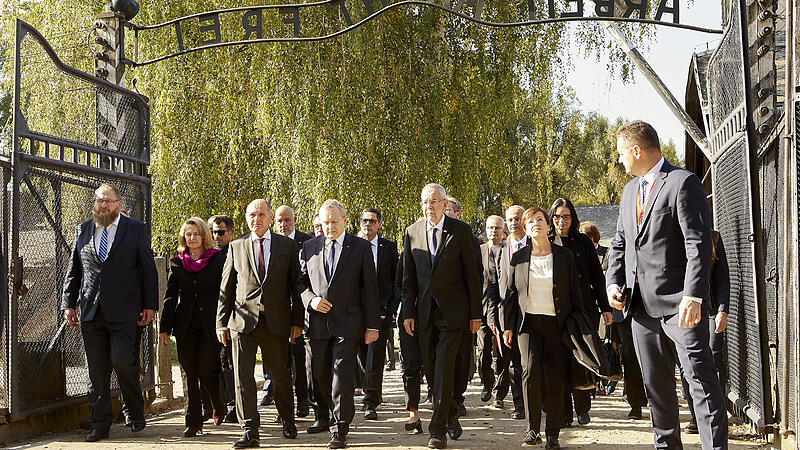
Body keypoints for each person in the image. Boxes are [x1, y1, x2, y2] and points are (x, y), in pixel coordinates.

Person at [606, 120, 727, 449]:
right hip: (641, 312)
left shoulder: (682, 182)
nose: (619, 160)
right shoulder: (630, 191)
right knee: (657, 393)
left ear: (636, 150)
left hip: (681, 308)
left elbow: (698, 244)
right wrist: (613, 283)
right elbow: (621, 244)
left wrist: (694, 295)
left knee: (701, 384)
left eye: (620, 154)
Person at [61, 183, 157, 442]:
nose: (103, 205)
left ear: (118, 205)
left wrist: (150, 305)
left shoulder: (135, 229)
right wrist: (68, 303)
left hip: (125, 310)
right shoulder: (83, 230)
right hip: (91, 310)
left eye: (108, 201)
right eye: (99, 201)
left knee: (122, 360)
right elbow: (74, 270)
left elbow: (148, 268)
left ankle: (135, 410)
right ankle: (99, 424)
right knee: (97, 370)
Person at [216, 199, 304, 448]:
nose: (256, 219)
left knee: (280, 375)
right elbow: (226, 288)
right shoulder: (237, 246)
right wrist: (221, 323)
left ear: (270, 218)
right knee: (243, 377)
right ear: (246, 218)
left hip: (276, 322)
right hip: (242, 323)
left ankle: (287, 419)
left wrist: (297, 321)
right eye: (252, 215)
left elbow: (295, 288)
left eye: (261, 215)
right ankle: (250, 429)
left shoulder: (286, 246)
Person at [402, 184, 481, 449]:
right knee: (431, 370)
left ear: (445, 203)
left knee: (443, 368)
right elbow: (408, 279)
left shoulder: (461, 231)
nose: (429, 207)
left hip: (453, 314)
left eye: (434, 201)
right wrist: (408, 313)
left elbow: (473, 275)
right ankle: (449, 414)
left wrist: (475, 314)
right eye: (425, 202)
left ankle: (437, 430)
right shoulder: (412, 232)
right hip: (424, 314)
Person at [298, 199, 380, 449]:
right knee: (319, 375)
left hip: (349, 322)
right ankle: (323, 415)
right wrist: (311, 300)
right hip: (318, 323)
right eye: (325, 222)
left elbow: (370, 289)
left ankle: (340, 427)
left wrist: (373, 325)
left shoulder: (360, 247)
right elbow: (300, 284)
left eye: (334, 221)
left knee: (342, 376)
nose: (330, 226)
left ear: (345, 221)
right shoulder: (308, 247)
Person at [500, 207, 583, 449]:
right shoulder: (519, 258)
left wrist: (579, 325)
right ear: (525, 229)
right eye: (530, 222)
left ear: (549, 225)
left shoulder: (564, 256)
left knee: (555, 378)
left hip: (557, 326)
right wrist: (507, 327)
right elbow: (510, 296)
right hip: (528, 326)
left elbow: (575, 296)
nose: (535, 224)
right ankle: (532, 429)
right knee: (529, 372)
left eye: (540, 220)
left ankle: (553, 434)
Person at [159, 217, 227, 436]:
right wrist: (164, 328)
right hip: (185, 325)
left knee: (207, 369)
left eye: (196, 233)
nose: (192, 238)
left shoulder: (217, 259)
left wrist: (225, 322)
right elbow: (170, 297)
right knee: (189, 371)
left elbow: (225, 293)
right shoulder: (177, 262)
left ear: (204, 235)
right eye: (188, 234)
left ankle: (218, 402)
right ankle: (194, 422)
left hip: (211, 324)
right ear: (184, 237)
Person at [549, 198, 613, 427]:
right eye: (557, 216)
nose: (561, 221)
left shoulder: (583, 241)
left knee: (582, 357)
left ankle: (583, 407)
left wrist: (605, 308)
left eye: (566, 216)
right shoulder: (546, 241)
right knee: (560, 361)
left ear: (572, 218)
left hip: (582, 308)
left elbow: (597, 275)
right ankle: (563, 413)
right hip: (554, 310)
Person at [580, 220, 646, 418]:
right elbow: (610, 275)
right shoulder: (616, 248)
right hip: (622, 309)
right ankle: (635, 403)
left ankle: (650, 398)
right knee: (628, 355)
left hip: (650, 305)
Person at [262, 205, 314, 418]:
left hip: (301, 308)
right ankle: (283, 407)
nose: (283, 225)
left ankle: (303, 400)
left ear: (294, 220)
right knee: (280, 362)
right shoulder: (270, 242)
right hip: (277, 311)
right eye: (280, 221)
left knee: (300, 358)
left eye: (288, 220)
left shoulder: (307, 242)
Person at [682, 229, 729, 434]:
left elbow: (722, 276)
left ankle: (714, 417)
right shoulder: (675, 237)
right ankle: (696, 417)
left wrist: (722, 310)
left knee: (711, 360)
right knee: (687, 366)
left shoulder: (714, 237)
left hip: (709, 309)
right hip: (684, 312)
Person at [357, 207, 399, 420]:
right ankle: (369, 390)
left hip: (380, 312)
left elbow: (396, 281)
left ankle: (370, 400)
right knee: (361, 356)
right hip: (354, 311)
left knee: (375, 356)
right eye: (364, 220)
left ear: (379, 224)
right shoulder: (351, 245)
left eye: (372, 221)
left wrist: (390, 309)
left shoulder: (389, 248)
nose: (368, 224)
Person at [487, 205, 526, 418]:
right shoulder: (499, 251)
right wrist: (493, 317)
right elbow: (493, 285)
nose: (514, 223)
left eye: (518, 218)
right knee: (514, 361)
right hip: (506, 314)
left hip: (532, 312)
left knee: (532, 360)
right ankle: (519, 404)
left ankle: (537, 400)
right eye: (510, 219)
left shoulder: (536, 246)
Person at [444, 196, 481, 418]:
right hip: (435, 311)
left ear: (457, 213)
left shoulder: (467, 236)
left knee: (461, 356)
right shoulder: (425, 234)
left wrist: (474, 312)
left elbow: (474, 275)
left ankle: (457, 397)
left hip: (461, 309)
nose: (443, 212)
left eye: (448, 209)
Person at [205, 214, 237, 423]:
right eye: (212, 232)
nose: (216, 236)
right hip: (209, 317)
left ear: (231, 232)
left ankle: (236, 405)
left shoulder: (234, 253)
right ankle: (214, 405)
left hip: (232, 317)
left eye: (220, 232)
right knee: (212, 364)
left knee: (231, 364)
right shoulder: (205, 256)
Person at [396, 248, 425, 434]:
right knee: (411, 366)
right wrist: (409, 302)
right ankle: (413, 412)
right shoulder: (408, 254)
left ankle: (447, 414)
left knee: (438, 367)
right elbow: (398, 285)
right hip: (409, 317)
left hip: (437, 317)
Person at [477, 215, 504, 403]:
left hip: (502, 309)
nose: (493, 231)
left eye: (496, 228)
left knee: (502, 351)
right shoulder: (478, 251)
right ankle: (487, 383)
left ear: (503, 231)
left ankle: (501, 391)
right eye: (490, 228)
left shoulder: (508, 250)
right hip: (481, 308)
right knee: (483, 349)